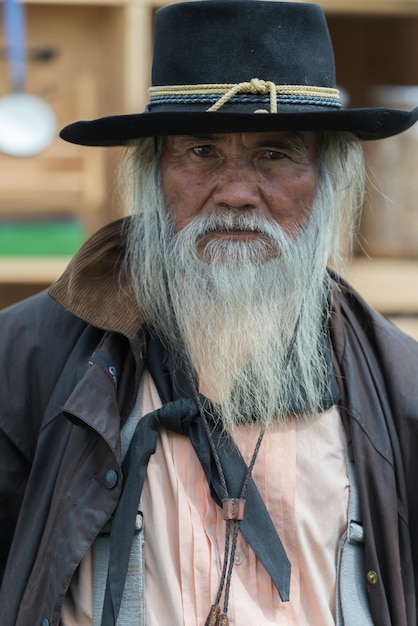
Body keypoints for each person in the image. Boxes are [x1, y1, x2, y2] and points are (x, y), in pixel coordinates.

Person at [1, 1, 418, 625]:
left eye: (275, 154)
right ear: (153, 171)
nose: (237, 192)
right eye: (201, 152)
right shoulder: (26, 360)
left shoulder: (401, 389)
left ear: (327, 177)